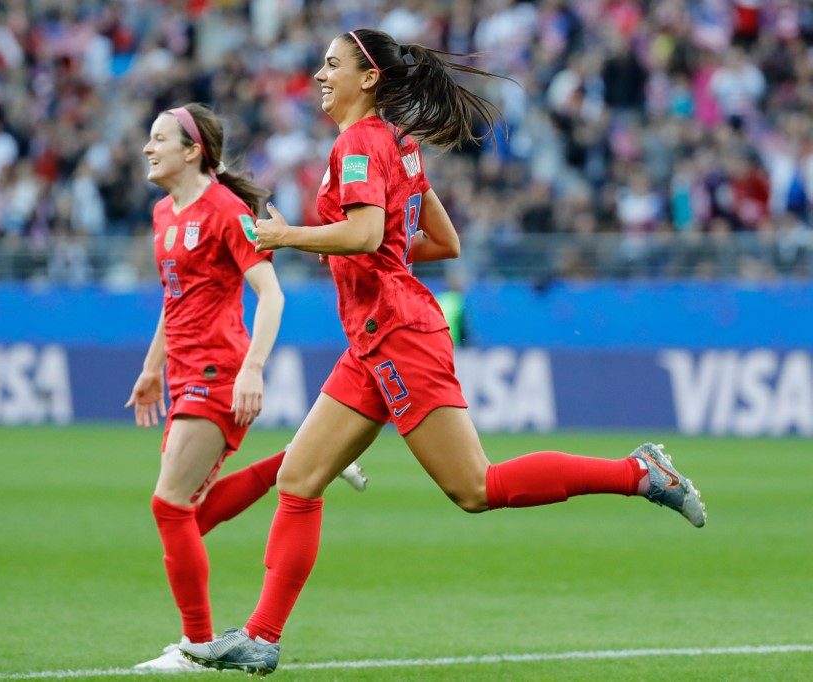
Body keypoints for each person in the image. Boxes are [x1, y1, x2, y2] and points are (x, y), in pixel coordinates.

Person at [180, 29, 706, 676]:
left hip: (398, 337)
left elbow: (369, 231)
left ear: (368, 78)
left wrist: (288, 234)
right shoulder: (397, 144)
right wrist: (366, 250)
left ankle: (638, 473)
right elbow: (442, 240)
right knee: (299, 479)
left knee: (475, 487)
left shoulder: (357, 145)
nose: (319, 74)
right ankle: (261, 636)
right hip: (374, 340)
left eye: (331, 64)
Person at [127, 103, 367, 673]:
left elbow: (272, 293)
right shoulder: (164, 214)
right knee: (194, 515)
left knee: (169, 507)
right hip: (182, 372)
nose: (146, 147)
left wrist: (253, 368)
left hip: (218, 372)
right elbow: (175, 297)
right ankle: (310, 457)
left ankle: (199, 646)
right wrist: (151, 368)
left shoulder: (225, 210)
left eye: (158, 138)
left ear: (194, 151)